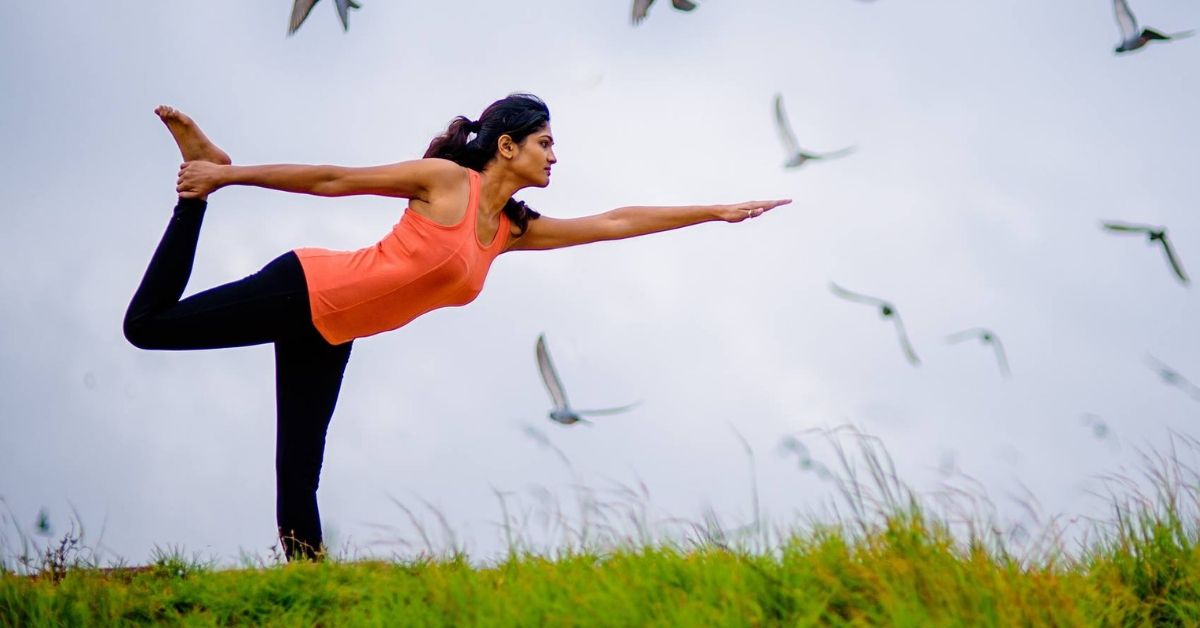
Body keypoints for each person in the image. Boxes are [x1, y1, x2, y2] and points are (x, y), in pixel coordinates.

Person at [124, 93, 790, 561]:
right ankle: (197, 191)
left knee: (299, 475)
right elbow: (333, 179)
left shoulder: (507, 233)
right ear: (507, 145)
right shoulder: (445, 183)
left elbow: (614, 221)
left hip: (329, 332)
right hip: (303, 286)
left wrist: (714, 211)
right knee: (148, 327)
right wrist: (227, 175)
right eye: (545, 142)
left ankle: (312, 595)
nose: (556, 156)